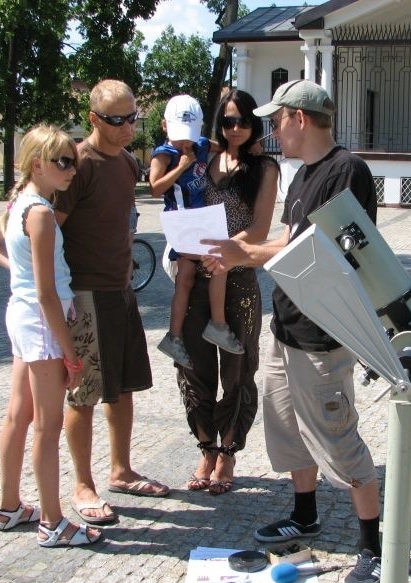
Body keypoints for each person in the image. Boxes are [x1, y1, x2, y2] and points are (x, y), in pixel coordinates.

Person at [201, 80, 383, 583]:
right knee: (286, 429)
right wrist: (237, 245)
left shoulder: (347, 171)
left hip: (322, 334)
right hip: (288, 327)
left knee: (338, 439)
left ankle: (371, 545)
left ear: (299, 118)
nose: (271, 129)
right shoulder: (304, 174)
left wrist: (241, 256)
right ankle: (305, 517)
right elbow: (283, 237)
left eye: (276, 119)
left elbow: (312, 248)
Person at [0, 124, 101, 547]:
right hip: (44, 321)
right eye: (62, 162)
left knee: (19, 413)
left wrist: (21, 275)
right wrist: (71, 354)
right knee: (46, 426)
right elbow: (48, 293)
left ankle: (10, 507)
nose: (71, 169)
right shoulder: (42, 213)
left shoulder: (19, 203)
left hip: (23, 315)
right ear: (36, 164)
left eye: (74, 161)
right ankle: (52, 522)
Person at [52, 79, 169, 527]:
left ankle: (121, 469)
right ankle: (83, 484)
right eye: (118, 119)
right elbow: (49, 233)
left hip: (121, 293)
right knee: (83, 394)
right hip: (83, 296)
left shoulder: (124, 164)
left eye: (133, 117)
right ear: (94, 119)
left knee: (121, 389)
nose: (128, 127)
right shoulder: (76, 164)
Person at [176, 89, 278, 495]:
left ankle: (229, 451)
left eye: (243, 121)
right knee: (192, 365)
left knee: (237, 369)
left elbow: (259, 230)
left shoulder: (264, 167)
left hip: (237, 280)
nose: (235, 128)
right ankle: (206, 447)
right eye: (228, 120)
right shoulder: (207, 157)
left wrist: (223, 250)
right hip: (196, 275)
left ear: (254, 123)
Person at [150, 94, 244, 370]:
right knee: (220, 260)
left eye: (189, 135)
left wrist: (250, 150)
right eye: (179, 135)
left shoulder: (201, 144)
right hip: (181, 223)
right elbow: (155, 188)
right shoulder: (164, 154)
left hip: (200, 220)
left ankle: (174, 337)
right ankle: (217, 324)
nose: (185, 142)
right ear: (165, 125)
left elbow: (226, 147)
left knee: (186, 279)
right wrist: (181, 166)